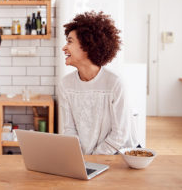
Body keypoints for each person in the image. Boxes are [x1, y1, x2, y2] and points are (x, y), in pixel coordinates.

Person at [58, 11, 138, 155]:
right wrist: (78, 158)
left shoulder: (114, 83)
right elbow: (69, 128)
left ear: (88, 45)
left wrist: (94, 159)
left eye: (70, 41)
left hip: (120, 157)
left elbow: (120, 134)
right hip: (86, 159)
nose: (64, 47)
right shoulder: (66, 84)